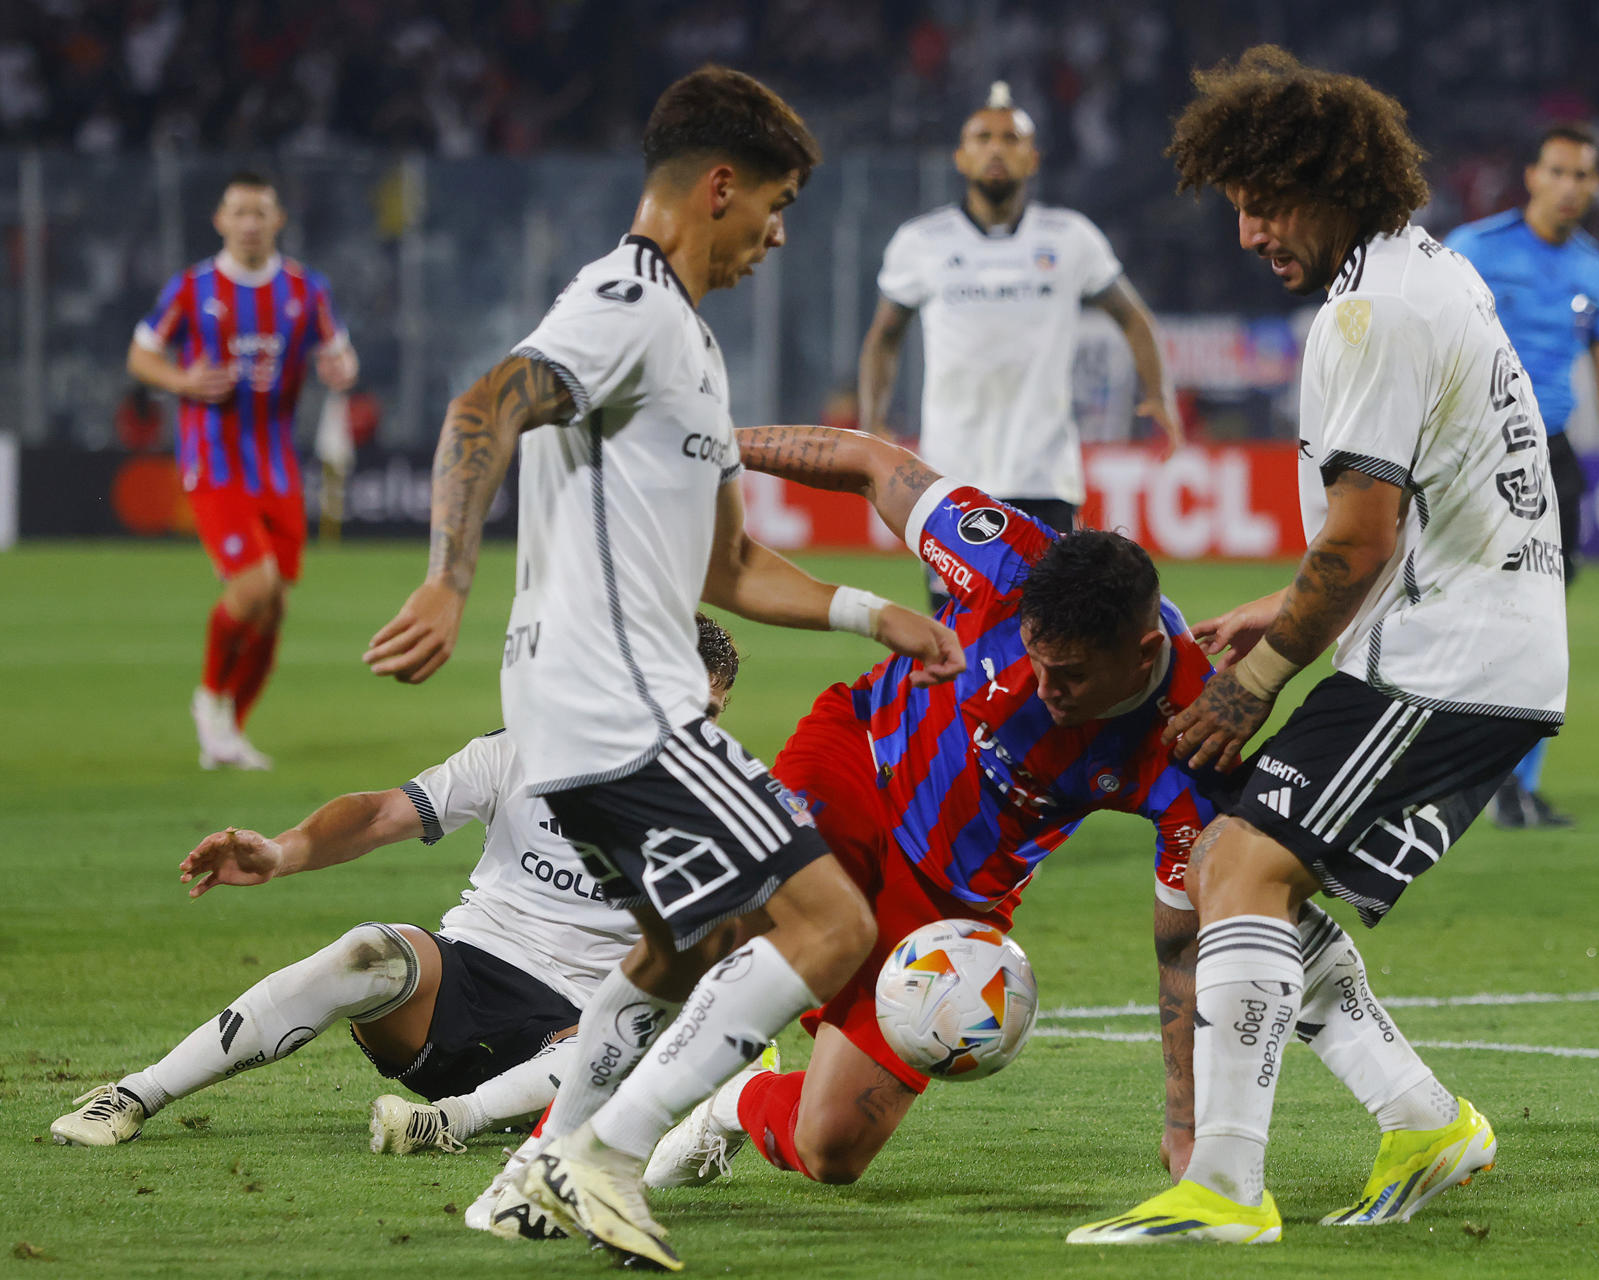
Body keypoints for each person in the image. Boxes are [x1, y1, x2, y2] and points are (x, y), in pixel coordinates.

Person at [469, 428, 1499, 1241]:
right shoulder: (1006, 557)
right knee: (745, 923)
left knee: (833, 1148)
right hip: (853, 763)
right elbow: (874, 464)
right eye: (1036, 663)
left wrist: (1184, 1119)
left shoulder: (1192, 735)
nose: (1046, 689)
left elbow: (1182, 935)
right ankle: (578, 1151)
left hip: (955, 897)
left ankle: (731, 1103)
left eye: (1072, 677)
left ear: (1142, 651)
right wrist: (715, 445)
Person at [362, 67, 962, 1273]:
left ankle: (539, 1165)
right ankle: (608, 1154)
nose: (779, 234)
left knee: (684, 940)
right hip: (625, 703)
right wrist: (448, 578)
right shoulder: (625, 299)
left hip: (593, 710)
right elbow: (488, 402)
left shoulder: (687, 343)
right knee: (830, 921)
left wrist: (869, 612)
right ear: (720, 187)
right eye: (777, 205)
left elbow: (731, 562)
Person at [1072, 47, 1568, 1246]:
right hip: (1465, 642)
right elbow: (1401, 516)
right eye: (1238, 205)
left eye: (1265, 203)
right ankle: (1422, 1119)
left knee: (1235, 863)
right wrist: (1272, 605)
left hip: (1443, 659)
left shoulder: (1369, 310)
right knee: (1247, 871)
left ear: (1333, 180)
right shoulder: (1420, 271)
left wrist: (1253, 679)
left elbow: (1356, 542)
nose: (1248, 233)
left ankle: (1227, 1188)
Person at [50, 617, 738, 1151]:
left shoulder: (723, 811)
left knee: (623, 1030)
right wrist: (282, 852)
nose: (691, 730)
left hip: (577, 1026)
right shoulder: (526, 749)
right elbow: (381, 813)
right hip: (462, 981)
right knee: (368, 951)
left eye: (709, 715)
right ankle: (134, 1097)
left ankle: (446, 1124)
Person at [859, 81, 1181, 608]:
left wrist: (1159, 394)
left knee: (1050, 633)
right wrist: (873, 421)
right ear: (961, 157)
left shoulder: (1070, 237)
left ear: (1033, 158)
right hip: (950, 478)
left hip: (1044, 474)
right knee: (958, 638)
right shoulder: (921, 242)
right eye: (982, 137)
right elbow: (883, 336)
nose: (996, 148)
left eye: (1010, 138)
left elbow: (1134, 318)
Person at [1446, 124, 1599, 828]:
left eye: (1583, 175)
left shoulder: (1597, 270)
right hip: (1472, 451)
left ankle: (1515, 786)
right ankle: (1432, 767)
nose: (1570, 186)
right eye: (1558, 171)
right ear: (1532, 175)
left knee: (1541, 623)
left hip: (1551, 459)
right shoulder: (1474, 248)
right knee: (1455, 611)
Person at [128, 171, 359, 772]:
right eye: (239, 212)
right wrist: (181, 382)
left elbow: (339, 352)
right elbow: (140, 354)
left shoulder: (307, 290)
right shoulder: (191, 288)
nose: (250, 222)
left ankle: (230, 730)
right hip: (214, 461)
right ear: (220, 220)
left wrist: (341, 369)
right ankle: (208, 698)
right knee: (253, 587)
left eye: (261, 212)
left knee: (275, 606)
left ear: (278, 220)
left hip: (277, 465)